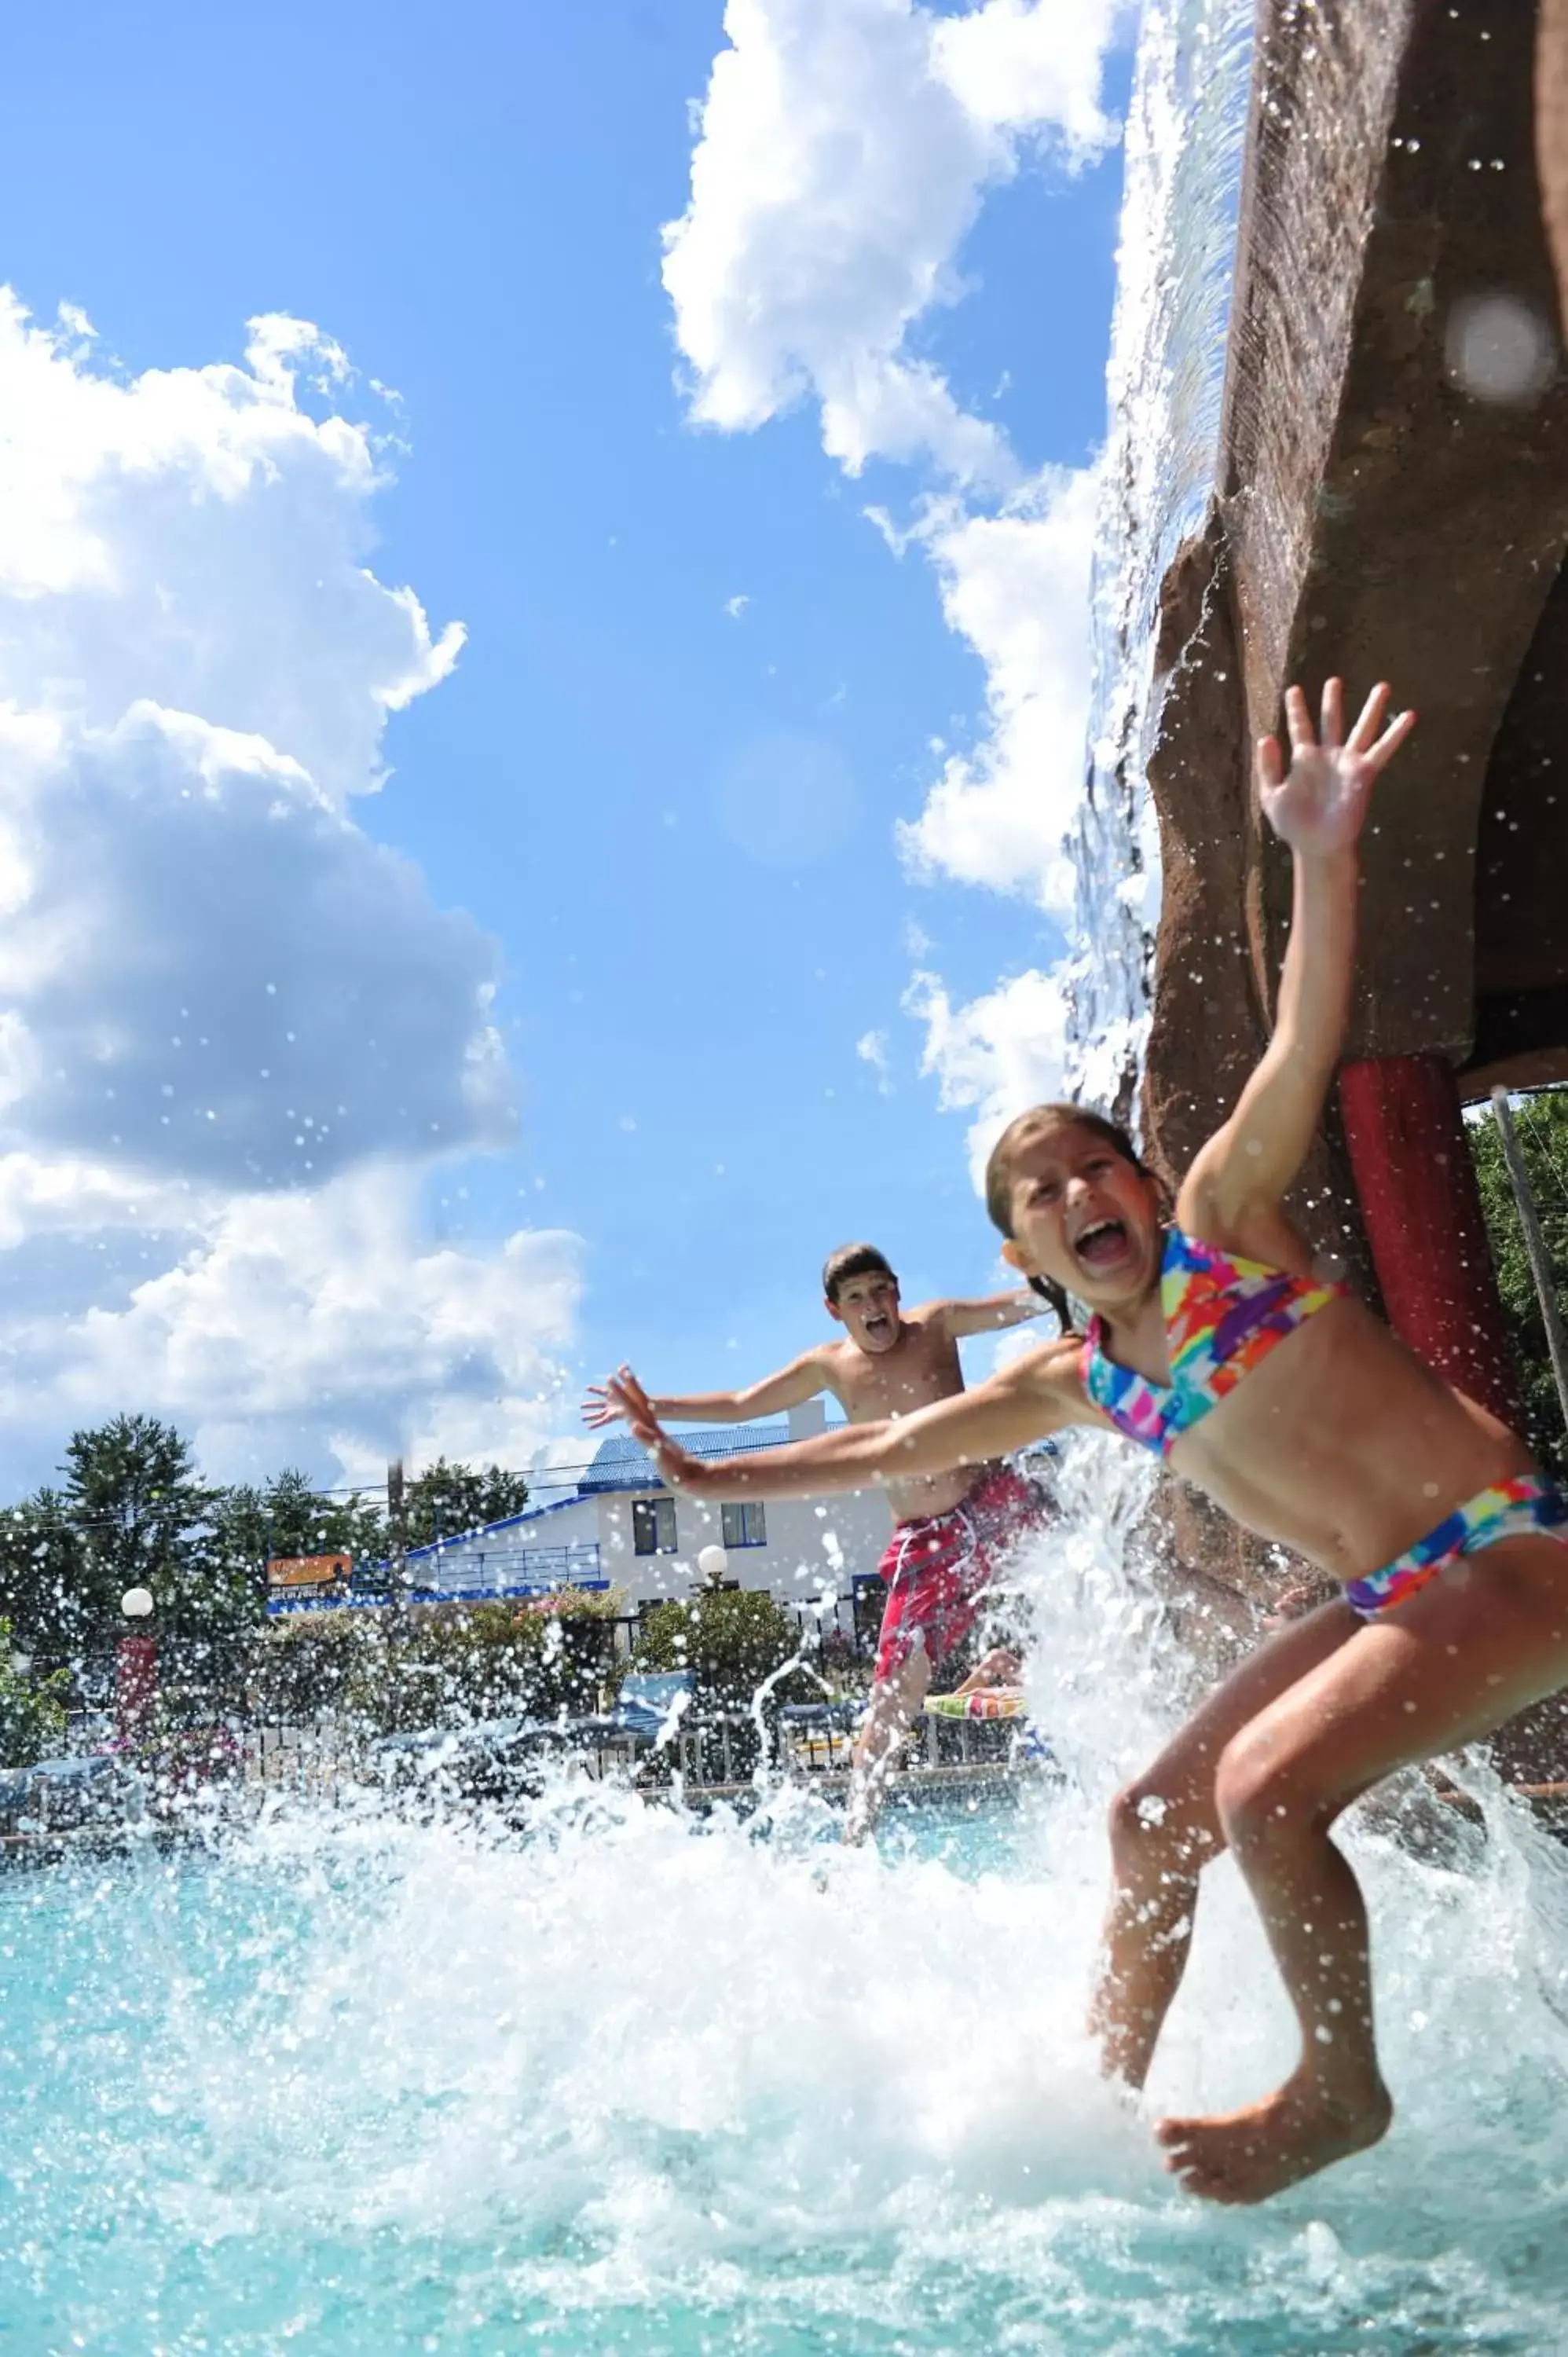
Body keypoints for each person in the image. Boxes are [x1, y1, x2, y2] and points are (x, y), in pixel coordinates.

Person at [605, 677, 1568, 2205]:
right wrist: (710, 1476)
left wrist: (1319, 851)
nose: (1075, 1193)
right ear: (1020, 1250)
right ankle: (1096, 2104)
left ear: (1141, 1179)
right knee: (1147, 1819)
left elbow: (1297, 1049)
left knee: (1261, 1793)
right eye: (1036, 1190)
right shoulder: (1077, 1382)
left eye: (1092, 1164)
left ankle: (1338, 2093)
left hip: (1506, 1558)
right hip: (1391, 1595)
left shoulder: (1223, 1235)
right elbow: (887, 1446)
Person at [583, 1241, 1057, 1837]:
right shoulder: (830, 1365)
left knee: (1092, 1547)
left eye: (881, 1290)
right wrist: (653, 1406)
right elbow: (739, 1404)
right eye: (856, 1298)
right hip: (926, 1538)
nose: (874, 1306)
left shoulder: (937, 1325)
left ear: (898, 1290)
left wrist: (1064, 1276)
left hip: (989, 1499)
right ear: (835, 1310)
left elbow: (1020, 1306)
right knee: (893, 1692)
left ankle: (1036, 1661)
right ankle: (857, 1835)